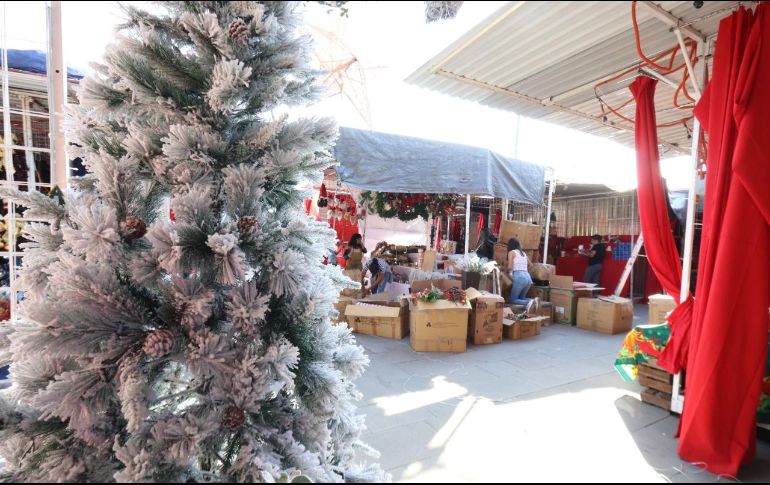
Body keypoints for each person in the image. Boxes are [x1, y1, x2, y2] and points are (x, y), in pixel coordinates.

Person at [507, 237, 533, 305]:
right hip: (528, 277)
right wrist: (523, 268)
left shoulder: (511, 252)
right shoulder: (523, 253)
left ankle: (530, 303)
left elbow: (510, 267)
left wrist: (508, 272)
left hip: (519, 277)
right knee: (521, 299)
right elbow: (531, 265)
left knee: (512, 300)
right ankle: (533, 301)